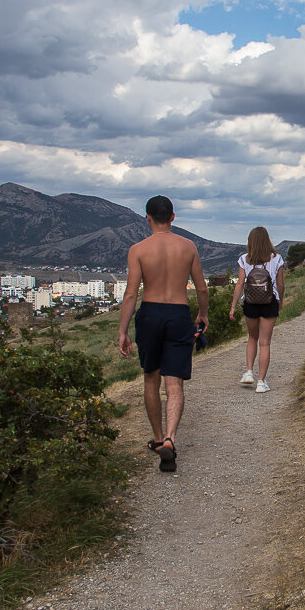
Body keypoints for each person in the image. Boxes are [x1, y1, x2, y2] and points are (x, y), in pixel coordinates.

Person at [118, 195, 209, 472]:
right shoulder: (188, 246)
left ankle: (158, 439)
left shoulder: (138, 249)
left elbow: (132, 293)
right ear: (172, 217)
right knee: (174, 383)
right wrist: (203, 314)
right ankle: (171, 438)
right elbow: (202, 288)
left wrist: (123, 330)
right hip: (179, 314)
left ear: (147, 218)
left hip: (150, 314)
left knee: (151, 378)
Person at [229, 226, 285, 393]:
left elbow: (240, 284)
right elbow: (280, 284)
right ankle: (261, 382)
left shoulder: (245, 259)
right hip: (270, 302)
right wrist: (280, 300)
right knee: (265, 343)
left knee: (252, 337)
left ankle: (248, 372)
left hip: (251, 303)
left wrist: (233, 306)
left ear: (250, 241)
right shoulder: (277, 258)